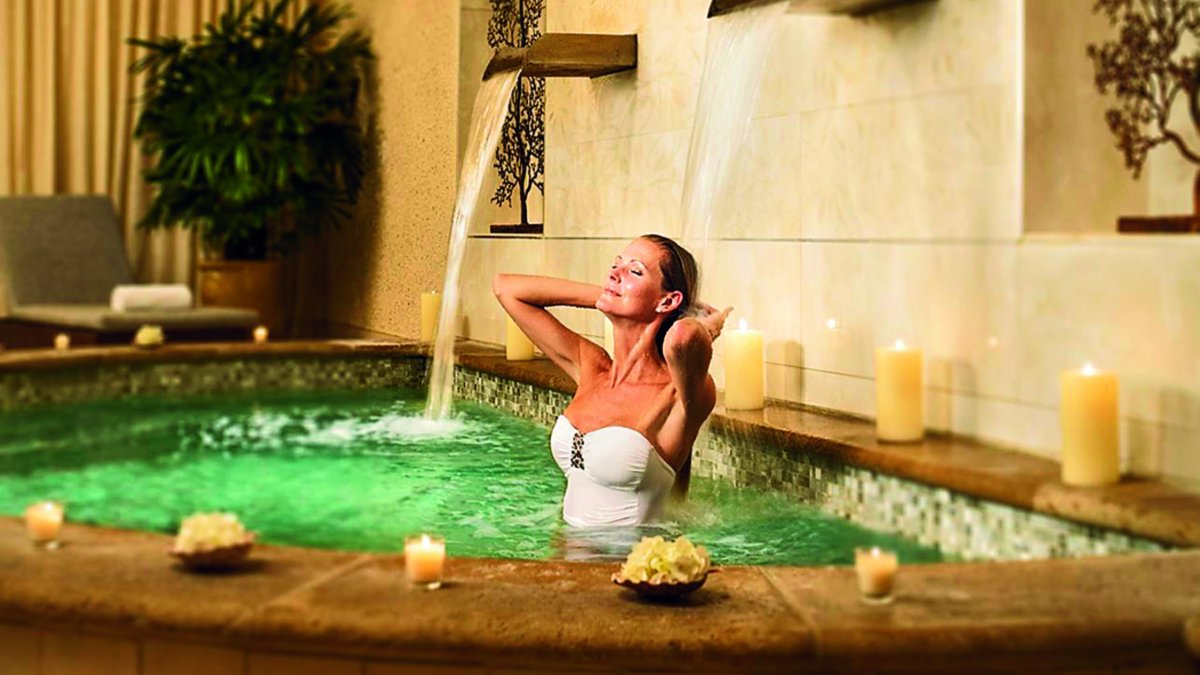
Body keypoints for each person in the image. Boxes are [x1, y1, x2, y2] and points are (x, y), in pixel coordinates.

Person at [492, 234, 731, 527]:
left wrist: (707, 325)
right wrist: (607, 295)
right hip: (565, 560)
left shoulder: (676, 397)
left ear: (667, 300)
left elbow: (682, 339)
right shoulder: (593, 369)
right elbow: (506, 288)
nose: (614, 273)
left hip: (632, 566)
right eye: (615, 265)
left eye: (634, 270)